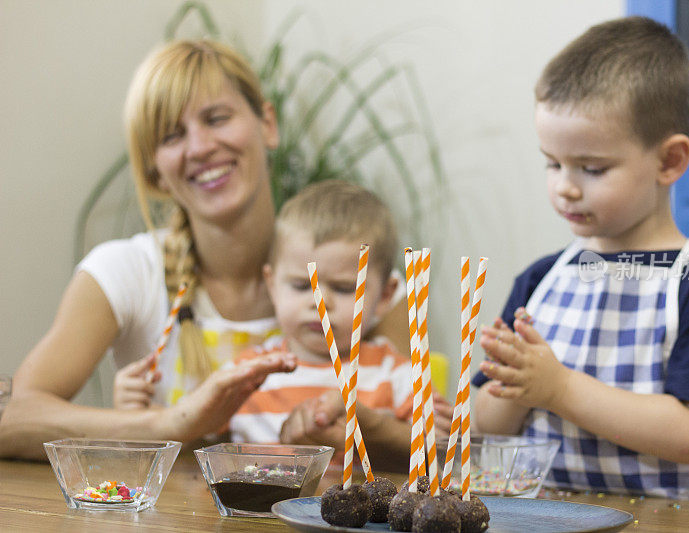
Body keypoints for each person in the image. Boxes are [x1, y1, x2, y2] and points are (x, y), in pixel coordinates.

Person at [0, 40, 404, 460]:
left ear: (267, 123)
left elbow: (414, 435)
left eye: (217, 118)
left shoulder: (357, 276)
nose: (199, 147)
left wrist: (368, 430)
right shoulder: (126, 271)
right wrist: (170, 422)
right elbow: (11, 418)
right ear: (154, 170)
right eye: (172, 135)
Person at [474, 16, 689, 500]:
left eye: (592, 167)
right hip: (538, 517)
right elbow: (486, 426)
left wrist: (558, 389)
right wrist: (507, 387)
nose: (565, 186)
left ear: (669, 161)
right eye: (552, 162)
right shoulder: (541, 278)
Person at [227, 180, 432, 471]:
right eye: (301, 285)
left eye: (345, 288)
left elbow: (438, 456)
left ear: (386, 295)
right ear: (271, 284)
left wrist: (371, 430)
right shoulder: (246, 375)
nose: (319, 302)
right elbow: (193, 441)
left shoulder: (398, 376)